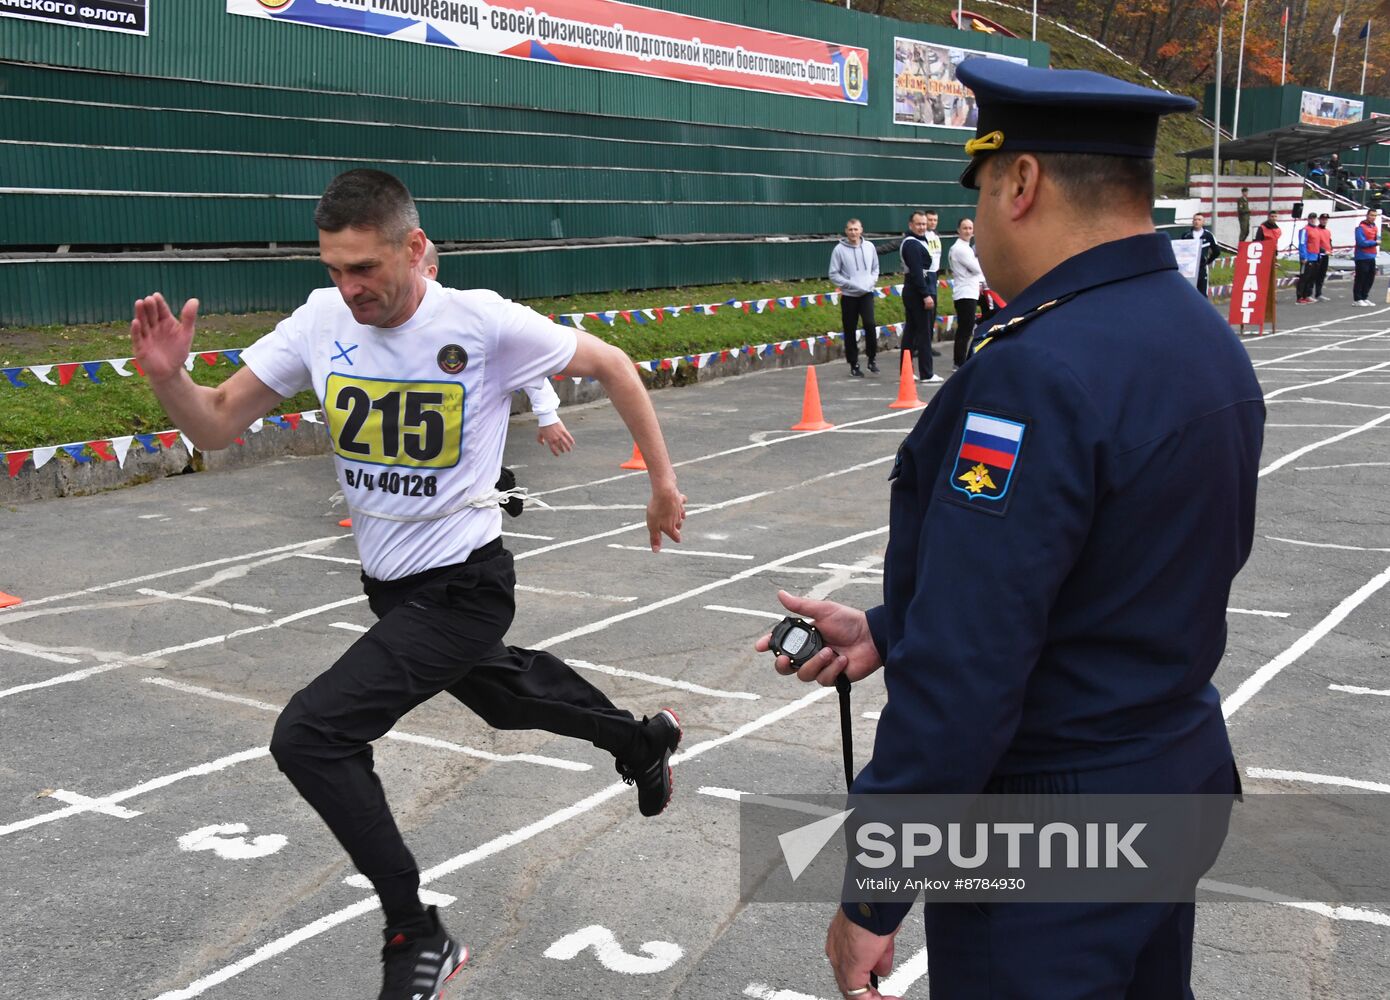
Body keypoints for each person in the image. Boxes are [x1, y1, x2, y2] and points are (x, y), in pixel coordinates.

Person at [758, 60, 1262, 1000]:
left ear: (1021, 182)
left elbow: (971, 670)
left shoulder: (1037, 371)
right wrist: (890, 626)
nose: (979, 220)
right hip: (1172, 776)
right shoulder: (1204, 339)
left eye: (982, 189)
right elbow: (1117, 574)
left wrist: (874, 897)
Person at [129, 169, 688, 1000]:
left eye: (364, 269)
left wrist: (662, 484)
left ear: (415, 250)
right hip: (391, 587)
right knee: (503, 698)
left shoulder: (482, 322)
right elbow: (214, 424)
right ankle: (641, 741)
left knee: (310, 735)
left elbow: (614, 364)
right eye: (333, 269)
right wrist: (171, 379)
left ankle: (416, 931)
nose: (349, 288)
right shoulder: (321, 322)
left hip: (465, 583)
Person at [420, 239, 575, 454]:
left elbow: (522, 354)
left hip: (457, 450)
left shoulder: (474, 315)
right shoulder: (369, 318)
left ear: (429, 272)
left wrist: (547, 415)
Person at [829, 218, 881, 377]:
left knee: (870, 324)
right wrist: (849, 284)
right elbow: (833, 274)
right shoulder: (839, 250)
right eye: (850, 229)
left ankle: (872, 358)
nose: (853, 232)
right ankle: (853, 363)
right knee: (850, 329)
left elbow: (875, 268)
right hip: (849, 295)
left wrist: (871, 282)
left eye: (856, 229)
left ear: (861, 230)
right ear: (846, 231)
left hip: (866, 293)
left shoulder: (869, 246)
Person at [899, 210, 944, 384]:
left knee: (911, 331)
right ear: (911, 225)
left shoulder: (921, 241)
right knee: (924, 332)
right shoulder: (912, 244)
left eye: (924, 224)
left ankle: (906, 370)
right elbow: (917, 272)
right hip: (918, 292)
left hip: (917, 290)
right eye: (918, 224)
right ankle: (927, 373)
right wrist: (925, 295)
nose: (922, 227)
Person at [948, 217, 984, 367]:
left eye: (970, 228)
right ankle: (959, 362)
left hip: (970, 291)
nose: (968, 231)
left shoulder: (966, 248)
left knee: (967, 328)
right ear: (958, 230)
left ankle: (962, 360)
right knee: (965, 329)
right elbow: (977, 268)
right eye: (965, 228)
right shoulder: (961, 249)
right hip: (965, 293)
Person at [1178, 211, 1218, 298]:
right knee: (1187, 292)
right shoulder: (1186, 235)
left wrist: (1208, 261)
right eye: (1195, 219)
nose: (1197, 221)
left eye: (1199, 220)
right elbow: (1180, 250)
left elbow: (1217, 251)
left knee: (1202, 293)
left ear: (1203, 222)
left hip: (1201, 268)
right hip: (1188, 269)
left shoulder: (1208, 235)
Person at [1353, 208, 1381, 306]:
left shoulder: (1374, 227)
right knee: (1361, 277)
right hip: (1362, 256)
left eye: (1375, 215)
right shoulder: (1360, 227)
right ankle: (1357, 299)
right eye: (1371, 215)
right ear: (1367, 215)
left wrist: (1376, 241)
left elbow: (1378, 237)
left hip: (1371, 255)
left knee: (1370, 278)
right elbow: (1361, 242)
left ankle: (1364, 297)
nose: (1373, 217)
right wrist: (1374, 242)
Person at [1295, 215, 1319, 304]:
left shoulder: (1316, 230)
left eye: (1314, 218)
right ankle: (1300, 296)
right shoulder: (1305, 230)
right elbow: (1302, 243)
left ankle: (1307, 295)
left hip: (1315, 257)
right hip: (1307, 257)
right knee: (1304, 277)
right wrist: (1303, 256)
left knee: (1311, 278)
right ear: (1308, 219)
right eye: (1311, 218)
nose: (1313, 220)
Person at [1312, 213, 1333, 301]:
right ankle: (1308, 294)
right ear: (1319, 220)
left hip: (1326, 256)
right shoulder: (1316, 230)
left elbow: (1329, 242)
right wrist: (1323, 251)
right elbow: (1315, 243)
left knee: (1321, 275)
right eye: (1323, 219)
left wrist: (1331, 249)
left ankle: (1318, 293)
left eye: (1326, 219)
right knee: (1314, 275)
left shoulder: (1327, 231)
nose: (1324, 221)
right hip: (1318, 255)